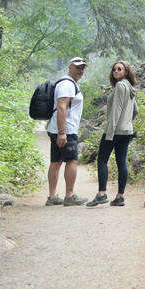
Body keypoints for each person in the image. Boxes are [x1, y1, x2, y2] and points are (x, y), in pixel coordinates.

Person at [86, 60, 137, 207]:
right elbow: (135, 110)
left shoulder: (121, 86)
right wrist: (127, 122)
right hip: (127, 130)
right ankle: (120, 197)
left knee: (102, 160)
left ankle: (102, 194)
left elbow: (117, 110)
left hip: (114, 130)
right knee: (121, 161)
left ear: (126, 71)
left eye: (119, 69)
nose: (116, 71)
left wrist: (111, 130)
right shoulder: (130, 86)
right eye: (114, 69)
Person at [46, 57, 88, 206]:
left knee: (56, 161)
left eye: (83, 68)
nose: (81, 71)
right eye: (78, 68)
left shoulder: (64, 83)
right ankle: (69, 196)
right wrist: (62, 132)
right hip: (66, 129)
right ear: (70, 68)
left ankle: (52, 197)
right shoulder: (68, 85)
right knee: (71, 161)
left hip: (58, 128)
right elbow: (62, 107)